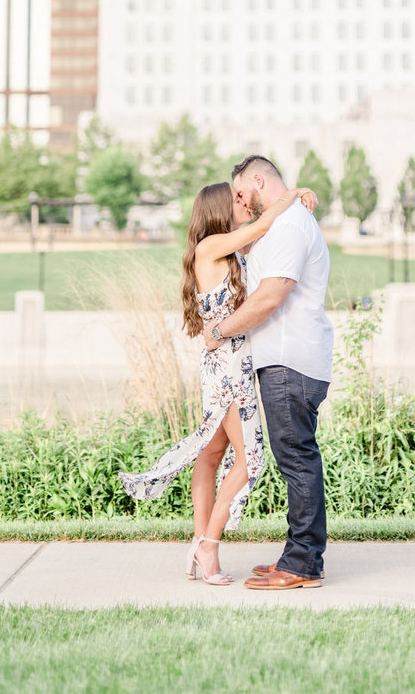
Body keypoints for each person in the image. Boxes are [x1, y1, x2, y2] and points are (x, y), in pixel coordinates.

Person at [118, 180, 317, 586]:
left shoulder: (230, 250)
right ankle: (208, 544)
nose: (244, 202)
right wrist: (293, 194)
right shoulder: (210, 248)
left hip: (232, 363)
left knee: (212, 456)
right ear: (219, 210)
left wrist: (296, 194)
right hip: (227, 368)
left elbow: (261, 239)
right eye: (237, 199)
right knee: (251, 460)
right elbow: (263, 226)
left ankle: (200, 545)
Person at [204, 154, 333, 591]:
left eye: (240, 192)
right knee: (294, 459)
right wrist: (293, 193)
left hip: (289, 361)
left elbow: (269, 298)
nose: (238, 200)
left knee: (297, 459)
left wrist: (219, 330)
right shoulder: (283, 221)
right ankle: (298, 555)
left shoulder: (292, 226)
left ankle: (302, 564)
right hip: (284, 359)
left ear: (258, 180)